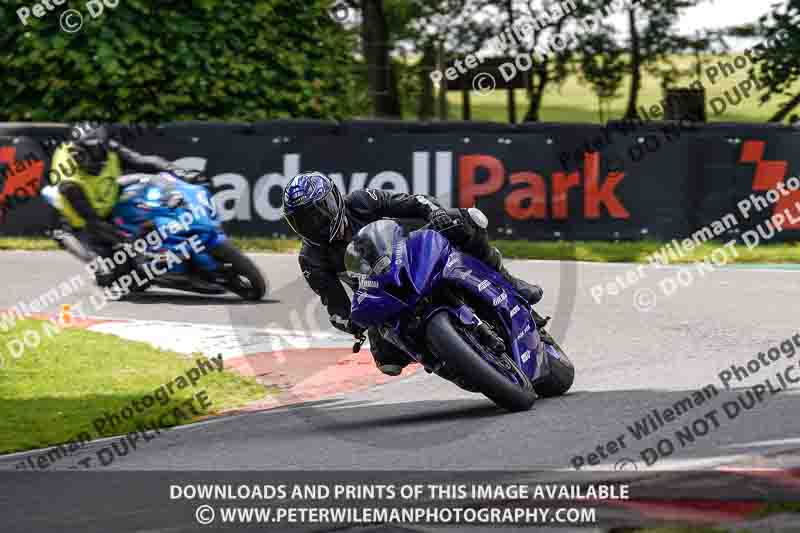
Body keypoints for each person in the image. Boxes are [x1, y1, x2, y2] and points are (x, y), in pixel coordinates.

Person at [281, 171, 547, 376]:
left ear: (334, 199)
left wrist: (435, 212)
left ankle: (510, 283)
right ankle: (450, 364)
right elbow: (336, 307)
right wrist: (351, 323)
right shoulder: (311, 258)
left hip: (414, 254)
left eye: (317, 214)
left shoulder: (360, 202)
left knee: (465, 222)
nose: (313, 224)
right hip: (379, 291)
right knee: (388, 362)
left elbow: (413, 202)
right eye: (303, 221)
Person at [52, 121, 204, 284]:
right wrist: (127, 243)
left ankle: (182, 232)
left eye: (99, 149)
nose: (98, 155)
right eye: (91, 152)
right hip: (82, 223)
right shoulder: (69, 184)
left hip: (110, 196)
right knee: (112, 277)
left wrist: (178, 171)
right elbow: (93, 222)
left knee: (152, 183)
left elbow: (142, 160)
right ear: (78, 153)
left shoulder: (109, 147)